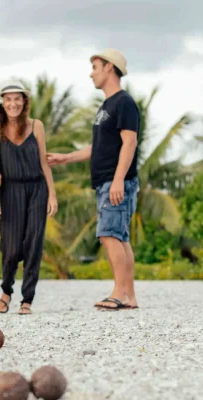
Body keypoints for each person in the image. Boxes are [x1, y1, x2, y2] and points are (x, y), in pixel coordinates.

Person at [47, 49, 140, 310]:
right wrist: (65, 158)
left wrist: (119, 179)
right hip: (107, 180)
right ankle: (129, 296)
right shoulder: (106, 106)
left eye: (95, 67)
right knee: (119, 237)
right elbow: (98, 147)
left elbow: (129, 141)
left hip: (115, 180)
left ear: (109, 67)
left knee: (109, 235)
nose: (91, 73)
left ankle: (119, 292)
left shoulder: (123, 102)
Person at [0, 80, 58, 315]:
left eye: (17, 99)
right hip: (10, 190)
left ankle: (27, 299)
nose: (13, 103)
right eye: (8, 99)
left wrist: (52, 194)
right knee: (10, 247)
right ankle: (6, 290)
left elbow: (44, 162)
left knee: (33, 243)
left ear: (24, 101)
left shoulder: (36, 125)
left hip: (37, 189)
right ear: (2, 102)